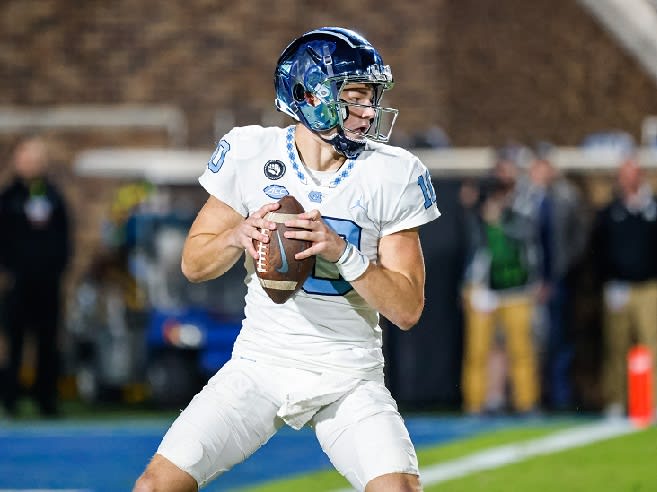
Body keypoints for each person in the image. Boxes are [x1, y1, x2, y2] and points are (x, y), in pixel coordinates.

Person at [133, 27, 440, 492]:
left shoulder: (393, 173)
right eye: (354, 95)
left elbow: (407, 309)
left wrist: (344, 252)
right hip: (261, 363)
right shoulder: (250, 152)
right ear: (308, 94)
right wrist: (236, 234)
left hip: (348, 374)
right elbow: (193, 265)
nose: (368, 112)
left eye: (371, 98)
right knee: (155, 487)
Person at [460, 154, 541, 416]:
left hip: (517, 287)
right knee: (478, 352)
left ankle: (527, 403)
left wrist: (501, 220)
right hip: (484, 288)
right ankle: (474, 404)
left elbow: (528, 234)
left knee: (521, 351)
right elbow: (472, 246)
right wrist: (470, 283)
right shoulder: (479, 207)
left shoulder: (524, 204)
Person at [0, 134, 72, 417]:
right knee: (15, 342)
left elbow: (64, 237)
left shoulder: (53, 197)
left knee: (47, 342)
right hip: (18, 283)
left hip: (48, 283)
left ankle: (47, 399)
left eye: (36, 158)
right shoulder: (8, 198)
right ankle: (11, 399)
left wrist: (57, 269)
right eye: (26, 158)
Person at [592, 157, 657, 418]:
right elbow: (598, 250)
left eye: (631, 174)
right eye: (622, 174)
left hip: (649, 286)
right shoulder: (610, 211)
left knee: (651, 345)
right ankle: (616, 400)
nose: (627, 179)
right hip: (618, 287)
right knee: (616, 346)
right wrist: (607, 283)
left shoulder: (652, 208)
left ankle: (651, 402)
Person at [527, 151, 589, 411]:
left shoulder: (566, 198)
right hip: (529, 282)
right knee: (533, 341)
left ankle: (560, 395)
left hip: (559, 281)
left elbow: (578, 238)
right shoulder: (526, 199)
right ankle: (535, 396)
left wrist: (559, 274)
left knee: (560, 339)